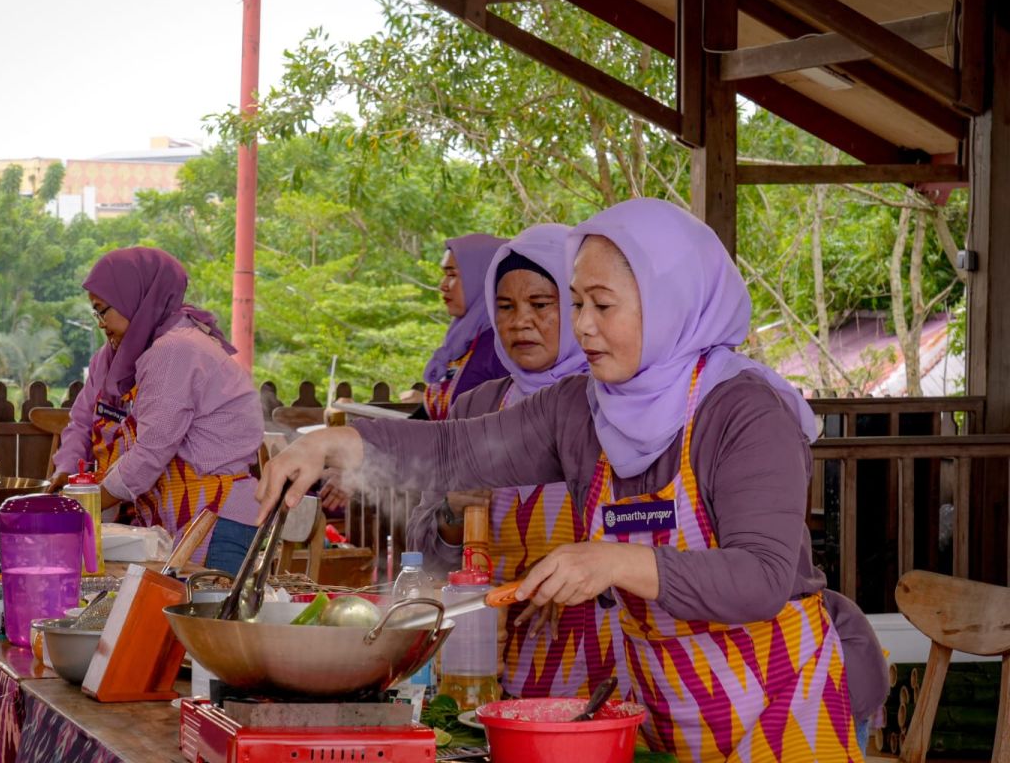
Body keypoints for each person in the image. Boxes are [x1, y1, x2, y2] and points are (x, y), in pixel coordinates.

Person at [258, 200, 887, 760]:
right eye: (578, 301)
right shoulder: (583, 405)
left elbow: (762, 578)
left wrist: (616, 562)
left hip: (781, 711)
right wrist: (341, 442)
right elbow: (456, 449)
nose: (582, 324)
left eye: (602, 305)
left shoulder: (742, 409)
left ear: (668, 302)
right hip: (665, 714)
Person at [406, 223, 622, 699]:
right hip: (486, 648)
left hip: (596, 646)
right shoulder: (477, 406)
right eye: (505, 307)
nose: (520, 321)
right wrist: (451, 514)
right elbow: (425, 549)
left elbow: (650, 533)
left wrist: (572, 570)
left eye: (541, 305)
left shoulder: (616, 406)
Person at [50, 247, 264, 573]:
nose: (101, 324)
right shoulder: (117, 357)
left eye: (102, 311)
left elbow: (150, 454)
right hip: (181, 520)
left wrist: (82, 504)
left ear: (135, 298)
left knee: (209, 623)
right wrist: (66, 474)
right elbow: (82, 420)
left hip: (218, 520)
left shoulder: (175, 349)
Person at [421, 233, 511, 420]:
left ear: (482, 277)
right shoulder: (463, 339)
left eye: (452, 274)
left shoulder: (503, 345)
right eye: (444, 275)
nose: (443, 285)